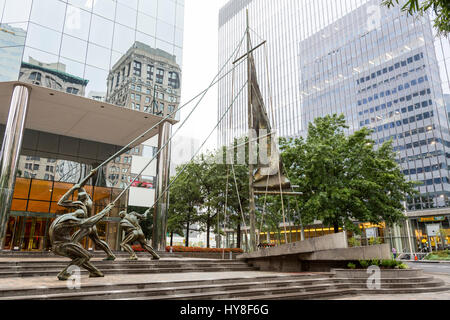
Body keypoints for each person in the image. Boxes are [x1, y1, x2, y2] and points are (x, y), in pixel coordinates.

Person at [58, 169, 116, 261]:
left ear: (82, 197)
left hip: (86, 226)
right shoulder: (89, 200)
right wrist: (90, 175)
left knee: (73, 242)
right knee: (98, 241)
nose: (78, 195)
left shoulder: (80, 204)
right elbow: (80, 186)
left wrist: (73, 189)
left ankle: (81, 256)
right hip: (92, 225)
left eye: (79, 195)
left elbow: (60, 202)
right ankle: (110, 254)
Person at [49, 203, 115, 280]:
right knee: (85, 256)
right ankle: (64, 274)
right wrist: (105, 211)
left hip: (58, 245)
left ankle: (95, 272)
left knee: (79, 257)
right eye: (80, 219)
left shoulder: (63, 217)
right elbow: (88, 223)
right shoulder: (69, 220)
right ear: (78, 216)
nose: (79, 221)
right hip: (63, 245)